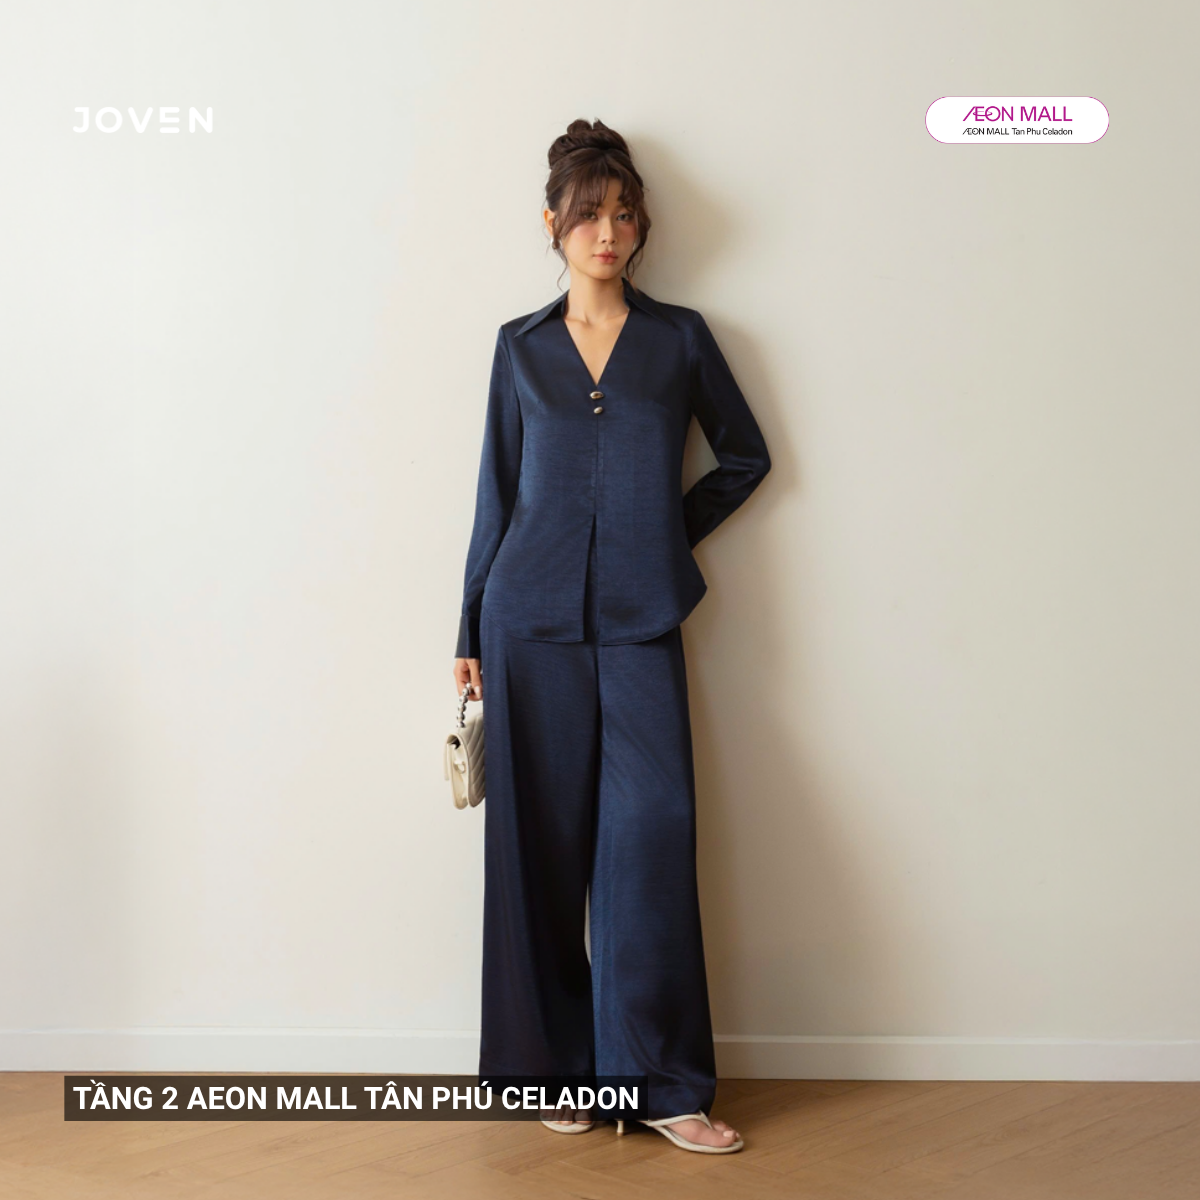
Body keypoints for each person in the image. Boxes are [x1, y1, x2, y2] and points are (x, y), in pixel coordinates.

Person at [451, 118, 770, 1154]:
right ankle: (557, 1076)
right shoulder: (521, 346)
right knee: (537, 854)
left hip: (641, 622)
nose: (608, 232)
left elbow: (745, 457)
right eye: (588, 215)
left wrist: (664, 536)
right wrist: (467, 625)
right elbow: (497, 494)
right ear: (551, 223)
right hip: (525, 621)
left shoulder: (680, 339)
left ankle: (662, 1084)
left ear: (641, 229)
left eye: (624, 215)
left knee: (650, 838)